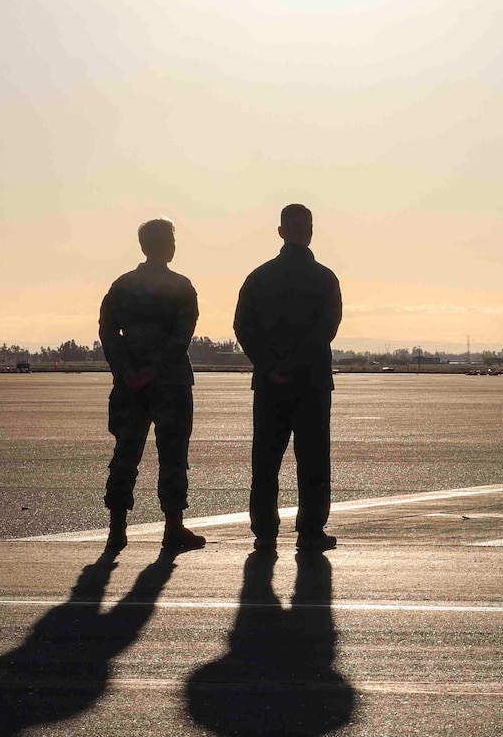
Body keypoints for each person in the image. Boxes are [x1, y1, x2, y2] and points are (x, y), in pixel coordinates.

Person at [233, 204, 343, 553]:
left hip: (270, 383)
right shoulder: (325, 278)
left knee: (266, 459)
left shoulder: (259, 277)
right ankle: (310, 529)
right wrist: (296, 362)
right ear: (310, 232)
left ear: (280, 232)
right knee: (312, 459)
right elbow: (327, 329)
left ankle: (265, 529)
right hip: (311, 381)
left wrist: (270, 364)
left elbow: (242, 327)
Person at [98, 219, 206, 553]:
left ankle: (117, 528)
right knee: (173, 457)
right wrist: (154, 370)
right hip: (170, 383)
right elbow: (181, 337)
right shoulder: (181, 287)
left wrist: (127, 371)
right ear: (167, 246)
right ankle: (173, 527)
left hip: (130, 385)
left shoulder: (123, 285)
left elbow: (107, 331)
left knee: (125, 454)